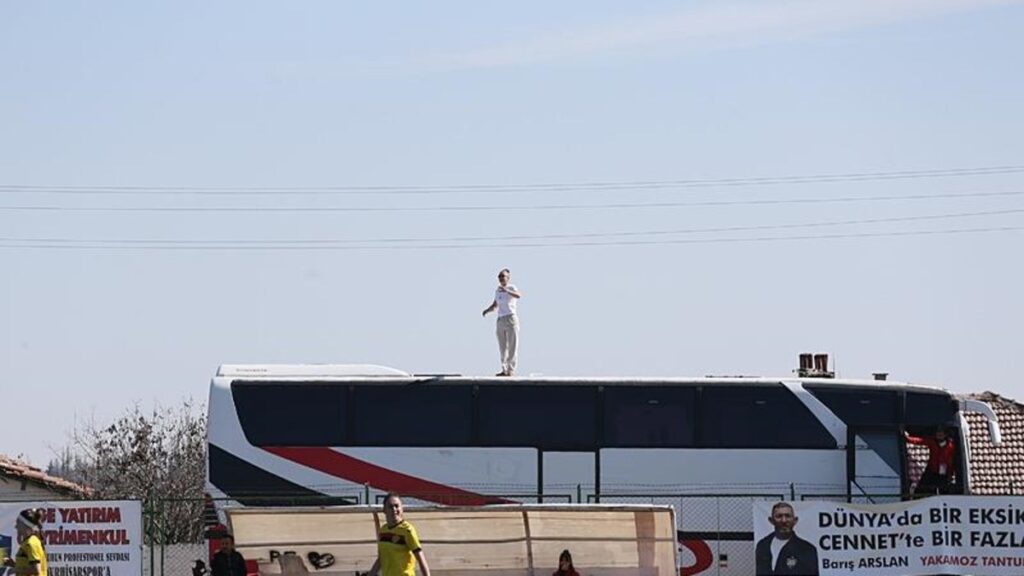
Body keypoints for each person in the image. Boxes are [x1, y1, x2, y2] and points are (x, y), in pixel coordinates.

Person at [365, 493, 430, 576]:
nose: (394, 509)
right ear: (384, 510)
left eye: (397, 506)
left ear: (402, 509)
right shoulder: (383, 531)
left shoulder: (407, 530)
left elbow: (421, 559)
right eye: (390, 506)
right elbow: (382, 558)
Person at [755, 502, 819, 576]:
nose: (784, 520)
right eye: (779, 516)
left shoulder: (807, 549)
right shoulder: (762, 545)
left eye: (788, 516)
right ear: (771, 520)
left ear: (795, 520)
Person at [482, 268, 522, 376]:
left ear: (508, 278)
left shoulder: (511, 287)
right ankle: (504, 369)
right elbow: (495, 304)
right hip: (500, 319)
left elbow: (519, 295)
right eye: (499, 276)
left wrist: (507, 290)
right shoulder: (497, 290)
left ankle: (511, 369)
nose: (500, 278)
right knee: (502, 346)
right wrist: (487, 310)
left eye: (503, 276)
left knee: (512, 345)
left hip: (511, 318)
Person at [906, 427, 956, 495]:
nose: (939, 435)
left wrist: (951, 473)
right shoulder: (932, 442)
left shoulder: (950, 446)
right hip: (931, 471)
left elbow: (951, 461)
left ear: (945, 435)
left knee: (944, 491)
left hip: (944, 474)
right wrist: (907, 438)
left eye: (941, 434)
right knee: (923, 488)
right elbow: (920, 441)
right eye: (938, 433)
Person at [3, 509, 47, 576]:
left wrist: (14, 570)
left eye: (18, 523)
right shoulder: (27, 541)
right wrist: (14, 565)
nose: (16, 526)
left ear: (24, 525)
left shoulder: (31, 543)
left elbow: (36, 570)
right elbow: (28, 567)